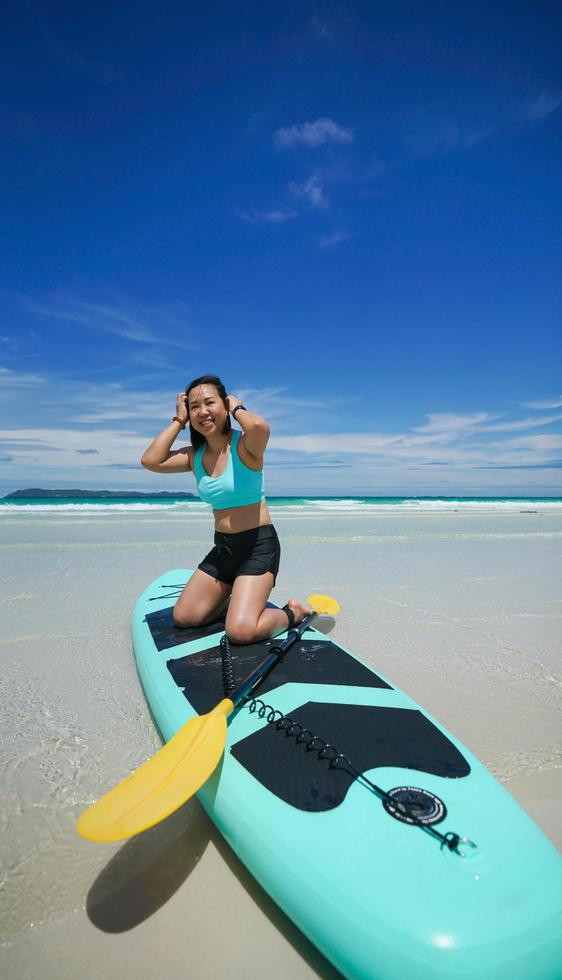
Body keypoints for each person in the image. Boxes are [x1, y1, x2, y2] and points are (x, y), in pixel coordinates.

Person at [141, 374, 311, 643]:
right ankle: (235, 597)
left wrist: (237, 406)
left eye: (210, 403)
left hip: (258, 547)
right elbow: (151, 460)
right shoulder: (194, 456)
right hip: (223, 550)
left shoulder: (244, 446)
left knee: (241, 632)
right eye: (194, 406)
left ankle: (293, 612)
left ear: (224, 405)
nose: (202, 412)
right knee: (185, 618)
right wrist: (178, 421)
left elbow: (259, 427)